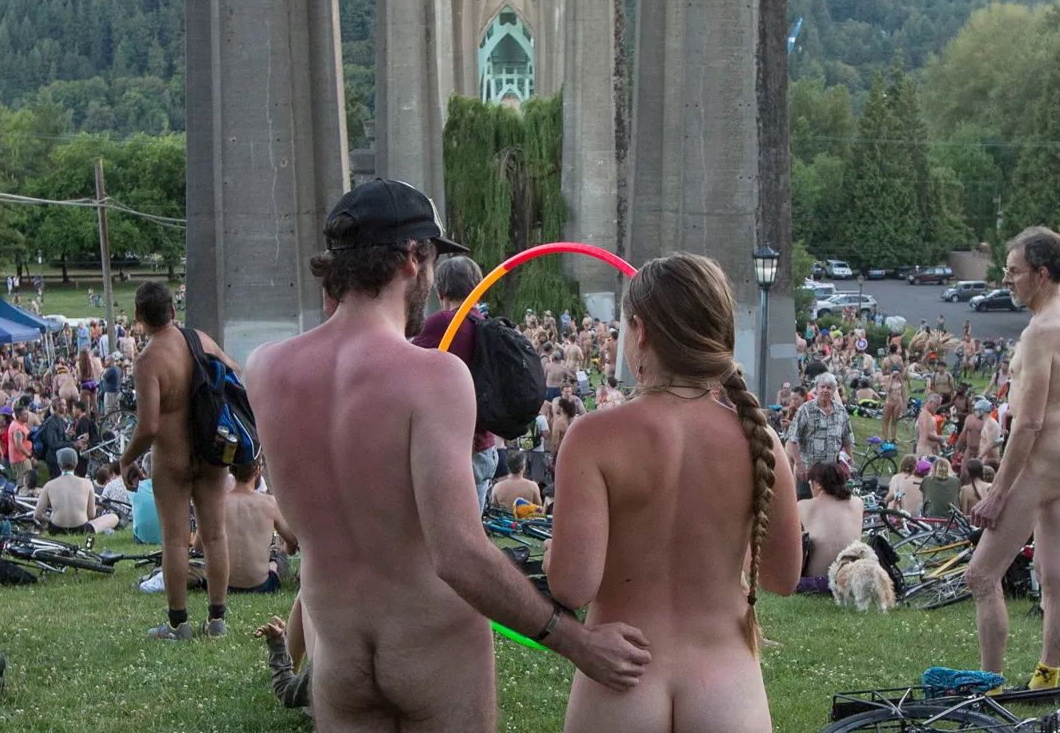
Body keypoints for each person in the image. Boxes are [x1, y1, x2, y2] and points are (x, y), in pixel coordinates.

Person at [246, 179, 650, 729]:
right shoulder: (432, 377)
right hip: (432, 653)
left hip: (337, 657)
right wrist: (576, 641)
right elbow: (458, 554)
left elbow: (297, 522)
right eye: (433, 260)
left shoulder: (267, 370)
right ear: (413, 258)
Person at [547, 253, 799, 732]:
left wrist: (550, 556)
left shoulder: (593, 437)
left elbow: (571, 587)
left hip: (621, 682)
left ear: (640, 332)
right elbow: (784, 578)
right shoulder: (760, 441)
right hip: (726, 686)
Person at [966, 228, 1060, 690]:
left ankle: (988, 684)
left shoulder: (1043, 329)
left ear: (1041, 274)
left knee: (981, 575)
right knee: (1053, 575)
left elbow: (1030, 422)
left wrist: (998, 493)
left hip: (1046, 455)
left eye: (1015, 272)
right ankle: (1047, 675)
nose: (1008, 280)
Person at [117, 280, 238, 640]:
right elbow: (233, 372)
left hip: (172, 458)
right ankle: (217, 620)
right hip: (212, 451)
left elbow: (149, 425)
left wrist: (127, 459)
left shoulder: (147, 361)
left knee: (174, 540)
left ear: (139, 317)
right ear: (173, 310)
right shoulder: (199, 341)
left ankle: (178, 622)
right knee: (215, 535)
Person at [202, 457, 298, 594]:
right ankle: (274, 564)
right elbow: (292, 543)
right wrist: (283, 550)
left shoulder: (216, 502)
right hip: (261, 586)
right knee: (276, 558)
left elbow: (198, 545)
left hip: (220, 584)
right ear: (257, 470)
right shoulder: (270, 503)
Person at [797, 462, 863, 585]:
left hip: (817, 580)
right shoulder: (857, 503)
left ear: (817, 484)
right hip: (851, 580)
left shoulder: (804, 506)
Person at [35, 448, 121, 535]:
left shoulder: (49, 485)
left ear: (59, 464)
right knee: (113, 517)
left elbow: (37, 514)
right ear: (76, 464)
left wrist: (51, 520)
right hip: (81, 529)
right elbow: (91, 514)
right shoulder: (87, 483)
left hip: (56, 529)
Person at [785, 373, 853, 478]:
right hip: (808, 469)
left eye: (829, 388)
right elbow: (793, 438)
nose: (825, 390)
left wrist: (849, 466)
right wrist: (799, 464)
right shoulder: (806, 409)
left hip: (831, 471)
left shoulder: (841, 411)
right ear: (817, 389)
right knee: (806, 495)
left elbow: (847, 440)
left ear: (834, 391)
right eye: (822, 387)